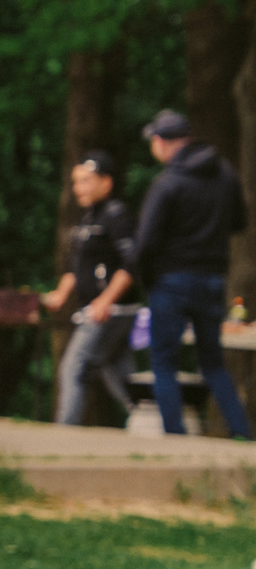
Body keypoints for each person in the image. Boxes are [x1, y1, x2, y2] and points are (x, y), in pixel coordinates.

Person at [104, 110, 251, 440]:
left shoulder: (168, 182)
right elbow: (240, 221)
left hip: (171, 282)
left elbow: (146, 242)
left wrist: (139, 274)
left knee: (164, 363)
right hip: (213, 280)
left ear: (162, 142)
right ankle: (243, 436)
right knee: (213, 362)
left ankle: (176, 440)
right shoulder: (224, 173)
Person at [39, 151, 137, 426]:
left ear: (107, 182)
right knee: (118, 373)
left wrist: (105, 301)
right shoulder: (86, 220)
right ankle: (151, 421)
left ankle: (63, 435)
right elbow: (75, 267)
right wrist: (59, 295)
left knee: (73, 368)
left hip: (112, 310)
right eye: (76, 181)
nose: (79, 188)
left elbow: (131, 263)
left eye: (86, 181)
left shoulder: (117, 215)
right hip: (98, 309)